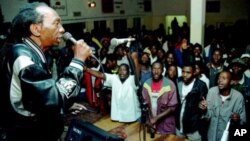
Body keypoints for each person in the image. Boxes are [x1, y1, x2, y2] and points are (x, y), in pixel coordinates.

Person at [0, 2, 91, 141]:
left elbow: (36, 99)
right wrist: (78, 61)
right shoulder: (23, 57)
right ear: (36, 29)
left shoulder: (32, 52)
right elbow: (54, 100)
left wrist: (64, 105)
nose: (62, 29)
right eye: (57, 23)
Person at [84, 53, 141, 122]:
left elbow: (137, 73)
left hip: (132, 117)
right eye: (120, 70)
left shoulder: (132, 79)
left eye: (124, 70)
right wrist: (87, 69)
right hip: (118, 117)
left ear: (128, 72)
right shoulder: (114, 78)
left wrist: (135, 59)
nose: (121, 72)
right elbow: (100, 74)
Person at [199, 70, 246, 141]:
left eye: (224, 78)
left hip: (229, 136)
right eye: (219, 78)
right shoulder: (212, 92)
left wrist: (238, 119)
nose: (220, 80)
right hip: (211, 136)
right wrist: (204, 109)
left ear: (231, 82)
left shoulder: (238, 97)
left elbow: (243, 121)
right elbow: (208, 117)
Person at [142, 61, 178, 135]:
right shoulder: (146, 84)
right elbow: (145, 105)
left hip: (166, 124)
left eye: (159, 69)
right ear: (151, 70)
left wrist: (156, 118)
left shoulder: (170, 84)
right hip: (151, 123)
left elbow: (172, 108)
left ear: (162, 70)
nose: (156, 71)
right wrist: (149, 120)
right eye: (154, 69)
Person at [175, 62, 208, 141]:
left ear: (194, 72)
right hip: (179, 125)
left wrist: (202, 106)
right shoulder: (178, 81)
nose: (185, 75)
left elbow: (204, 104)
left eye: (188, 72)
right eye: (183, 72)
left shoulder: (201, 85)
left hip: (194, 128)